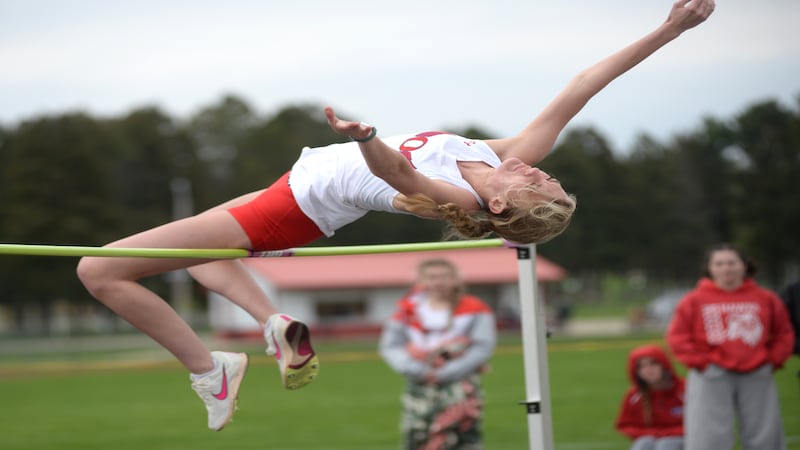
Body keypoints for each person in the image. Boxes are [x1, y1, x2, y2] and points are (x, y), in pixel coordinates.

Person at [75, 0, 715, 431]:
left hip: (291, 208)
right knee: (201, 259)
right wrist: (670, 30)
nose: (538, 170)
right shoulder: (495, 156)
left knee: (99, 271)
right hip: (296, 188)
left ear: (500, 206)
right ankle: (274, 323)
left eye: (537, 184)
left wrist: (367, 138)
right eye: (546, 176)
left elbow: (397, 174)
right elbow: (582, 87)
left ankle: (209, 370)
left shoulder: (462, 198)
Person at [666, 243, 795, 450]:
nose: (726, 268)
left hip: (756, 372)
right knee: (708, 434)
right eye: (719, 264)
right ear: (709, 268)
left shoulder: (765, 298)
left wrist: (772, 361)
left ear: (744, 266)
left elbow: (783, 332)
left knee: (764, 433)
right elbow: (678, 337)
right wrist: (702, 364)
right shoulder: (693, 300)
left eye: (732, 263)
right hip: (711, 374)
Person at [379, 258, 496, 450]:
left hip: (461, 382)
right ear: (421, 280)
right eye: (432, 277)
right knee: (419, 433)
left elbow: (482, 346)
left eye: (444, 276)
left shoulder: (475, 308)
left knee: (462, 433)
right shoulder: (407, 309)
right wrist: (417, 370)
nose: (439, 282)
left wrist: (447, 372)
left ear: (455, 279)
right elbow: (390, 346)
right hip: (420, 384)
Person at [615, 344, 685, 450]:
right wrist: (654, 434)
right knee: (643, 444)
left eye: (653, 363)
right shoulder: (635, 396)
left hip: (684, 438)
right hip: (651, 438)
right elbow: (626, 425)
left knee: (666, 445)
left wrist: (667, 433)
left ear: (664, 364)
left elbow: (700, 423)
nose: (648, 370)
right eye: (641, 366)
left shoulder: (685, 390)